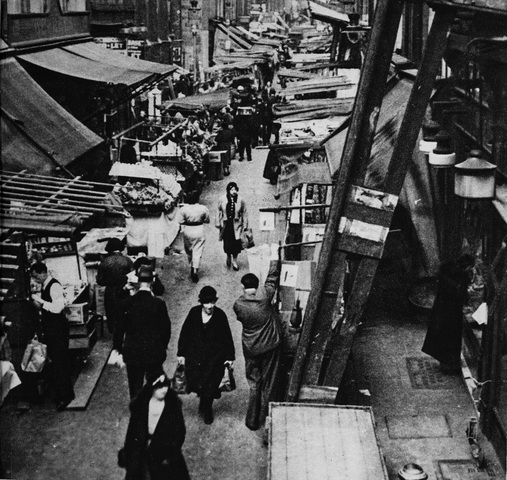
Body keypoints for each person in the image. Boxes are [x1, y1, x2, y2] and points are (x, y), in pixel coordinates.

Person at [233, 259, 282, 431]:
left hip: (251, 348)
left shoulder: (238, 304)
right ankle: (267, 418)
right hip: (270, 345)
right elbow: (272, 280)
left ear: (242, 287)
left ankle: (252, 421)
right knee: (269, 383)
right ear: (257, 285)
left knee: (254, 383)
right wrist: (275, 259)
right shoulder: (264, 296)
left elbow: (240, 318)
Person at [177, 286, 235, 425]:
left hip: (214, 358)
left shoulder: (220, 315)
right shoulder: (194, 313)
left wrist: (230, 357)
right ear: (201, 302)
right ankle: (203, 399)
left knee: (211, 384)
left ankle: (207, 409)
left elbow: (227, 337)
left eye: (212, 302)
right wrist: (181, 353)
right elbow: (185, 333)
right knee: (198, 382)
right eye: (206, 303)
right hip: (195, 356)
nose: (209, 306)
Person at [113, 265, 171, 399]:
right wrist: (162, 347)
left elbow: (119, 327)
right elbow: (166, 329)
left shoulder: (127, 303)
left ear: (138, 281)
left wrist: (118, 348)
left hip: (132, 352)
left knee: (135, 387)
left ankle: (138, 414)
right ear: (152, 282)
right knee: (156, 385)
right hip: (153, 352)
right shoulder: (158, 304)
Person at [121, 374, 190, 480]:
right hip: (142, 450)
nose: (164, 390)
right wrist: (128, 451)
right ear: (152, 388)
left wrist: (171, 454)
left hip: (163, 453)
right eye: (160, 387)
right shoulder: (141, 404)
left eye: (166, 386)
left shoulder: (172, 406)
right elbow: (132, 430)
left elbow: (180, 432)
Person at [30, 262, 75, 411]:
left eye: (36, 276)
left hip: (58, 329)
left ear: (43, 272)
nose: (35, 280)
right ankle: (62, 393)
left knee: (60, 362)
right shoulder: (45, 285)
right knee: (56, 362)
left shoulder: (54, 286)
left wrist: (40, 303)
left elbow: (57, 308)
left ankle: (66, 396)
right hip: (51, 329)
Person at [422, 253, 475, 373]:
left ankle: (448, 363)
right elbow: (457, 292)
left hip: (445, 310)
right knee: (450, 338)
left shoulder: (449, 272)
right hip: (449, 312)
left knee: (446, 337)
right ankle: (449, 365)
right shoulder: (456, 276)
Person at [97, 238, 133, 334]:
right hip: (124, 290)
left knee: (111, 312)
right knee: (125, 311)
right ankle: (125, 332)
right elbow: (132, 276)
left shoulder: (104, 262)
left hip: (110, 291)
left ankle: (113, 333)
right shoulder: (127, 260)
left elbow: (99, 281)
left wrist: (110, 281)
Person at [177, 194, 211, 283]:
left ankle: (191, 264)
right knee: (198, 250)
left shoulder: (183, 209)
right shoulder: (203, 208)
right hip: (199, 229)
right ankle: (195, 269)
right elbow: (207, 220)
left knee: (189, 250)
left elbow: (180, 221)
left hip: (188, 230)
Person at [216, 182, 248, 271]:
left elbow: (244, 212)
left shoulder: (240, 200)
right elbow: (218, 211)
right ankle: (228, 256)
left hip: (236, 225)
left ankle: (234, 261)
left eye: (235, 189)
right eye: (232, 189)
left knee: (236, 244)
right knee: (227, 243)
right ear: (228, 190)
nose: (234, 191)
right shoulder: (222, 199)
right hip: (226, 225)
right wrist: (218, 223)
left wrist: (245, 224)